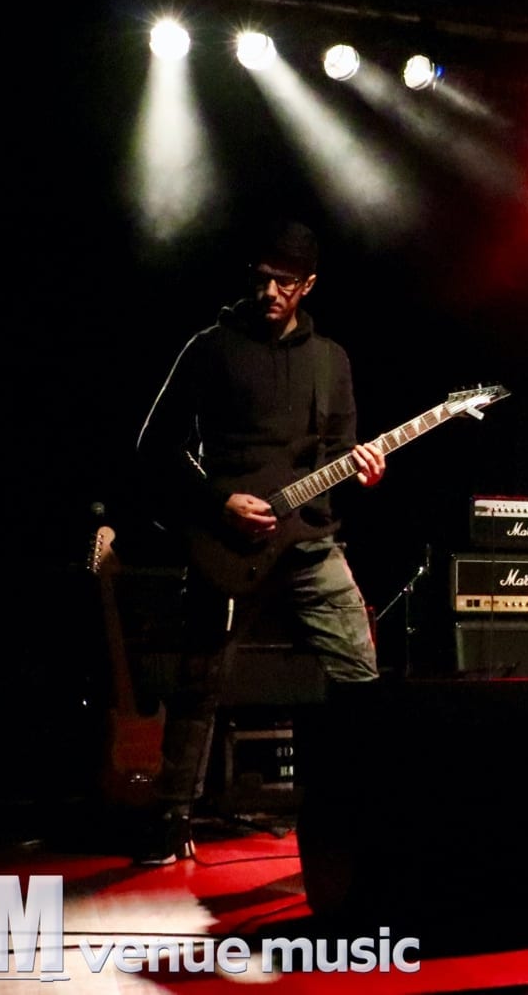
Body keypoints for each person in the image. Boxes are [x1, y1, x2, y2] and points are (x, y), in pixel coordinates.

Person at [131, 220, 385, 865]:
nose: (271, 291)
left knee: (361, 675)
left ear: (309, 285)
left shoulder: (332, 360)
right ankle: (171, 816)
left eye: (285, 282)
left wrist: (364, 468)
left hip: (310, 541)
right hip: (226, 540)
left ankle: (367, 809)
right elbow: (157, 447)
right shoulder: (211, 348)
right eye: (263, 278)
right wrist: (218, 502)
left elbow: (339, 451)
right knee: (200, 681)